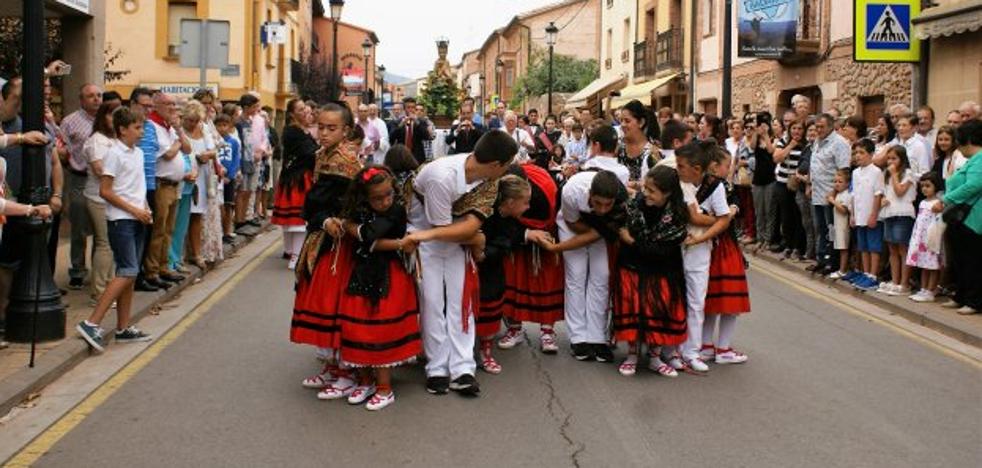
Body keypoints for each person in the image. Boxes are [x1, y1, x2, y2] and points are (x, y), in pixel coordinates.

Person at [401, 131, 517, 396]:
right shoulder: (443, 177)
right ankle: (437, 368)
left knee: (460, 301)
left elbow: (470, 226)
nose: (509, 168)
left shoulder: (488, 178)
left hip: (438, 235)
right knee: (432, 303)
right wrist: (472, 238)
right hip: (428, 239)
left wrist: (472, 236)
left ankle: (463, 368)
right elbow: (449, 229)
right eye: (509, 163)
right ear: (497, 164)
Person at [333, 165, 421, 411]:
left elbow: (370, 236)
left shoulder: (395, 211)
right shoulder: (360, 209)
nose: (385, 201)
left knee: (381, 331)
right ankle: (365, 380)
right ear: (363, 197)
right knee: (358, 327)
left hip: (388, 275)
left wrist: (351, 228)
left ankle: (385, 387)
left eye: (388, 195)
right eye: (377, 198)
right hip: (362, 272)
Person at [292, 104, 363, 400]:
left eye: (330, 128)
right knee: (324, 302)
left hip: (339, 244)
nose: (323, 133)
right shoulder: (325, 156)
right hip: (324, 237)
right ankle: (333, 366)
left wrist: (325, 218)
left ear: (346, 131)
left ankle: (346, 372)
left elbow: (312, 204)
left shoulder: (342, 161)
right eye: (320, 127)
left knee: (334, 304)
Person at [76, 107, 154, 353]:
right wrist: (134, 210)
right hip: (121, 220)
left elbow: (136, 186)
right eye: (137, 128)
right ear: (122, 129)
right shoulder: (113, 154)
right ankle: (91, 322)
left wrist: (145, 207)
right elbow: (105, 191)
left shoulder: (138, 153)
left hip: (138, 217)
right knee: (127, 271)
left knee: (129, 274)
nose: (141, 133)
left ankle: (123, 327)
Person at [541, 170, 626, 362]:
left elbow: (598, 233)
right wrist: (559, 247)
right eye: (598, 203)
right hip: (573, 224)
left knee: (602, 275)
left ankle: (597, 337)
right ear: (589, 195)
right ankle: (578, 337)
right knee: (576, 275)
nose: (603, 209)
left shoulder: (621, 199)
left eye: (608, 204)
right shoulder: (572, 191)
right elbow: (574, 226)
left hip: (599, 230)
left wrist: (600, 230)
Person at [611, 165, 688, 377]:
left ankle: (655, 358)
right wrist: (634, 242)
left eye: (652, 191)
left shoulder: (678, 216)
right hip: (631, 268)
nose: (646, 193)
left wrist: (632, 241)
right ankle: (632, 356)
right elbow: (619, 227)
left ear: (668, 193)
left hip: (662, 272)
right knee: (633, 309)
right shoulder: (633, 206)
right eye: (645, 188)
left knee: (658, 313)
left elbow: (660, 251)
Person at [672, 141, 732, 372]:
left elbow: (724, 219)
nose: (677, 169)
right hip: (675, 247)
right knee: (675, 299)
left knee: (696, 302)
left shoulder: (715, 186)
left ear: (696, 169)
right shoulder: (676, 183)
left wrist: (699, 238)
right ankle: (673, 349)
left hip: (699, 250)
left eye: (682, 166)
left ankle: (692, 352)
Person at [496, 164, 564, 354]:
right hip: (516, 234)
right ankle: (514, 329)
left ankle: (548, 332)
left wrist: (543, 236)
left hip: (547, 234)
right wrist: (525, 233)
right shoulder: (499, 188)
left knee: (547, 282)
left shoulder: (545, 192)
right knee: (514, 279)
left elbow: (554, 217)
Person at [473, 174, 532, 374]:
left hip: (492, 267)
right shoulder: (484, 214)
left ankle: (486, 351)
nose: (528, 207)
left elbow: (507, 243)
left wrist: (485, 254)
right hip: (473, 267)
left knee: (491, 306)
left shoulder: (512, 220)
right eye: (525, 202)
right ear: (510, 202)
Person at [701, 145, 751, 365]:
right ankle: (723, 349)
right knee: (731, 301)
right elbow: (723, 216)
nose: (729, 169)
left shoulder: (701, 184)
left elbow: (734, 203)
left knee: (711, 301)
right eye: (726, 165)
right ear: (714, 166)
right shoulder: (718, 185)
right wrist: (729, 212)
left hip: (708, 245)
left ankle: (706, 347)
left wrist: (733, 207)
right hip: (724, 246)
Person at [143, 92, 190, 289]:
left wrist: (178, 129)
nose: (172, 108)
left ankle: (164, 267)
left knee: (168, 230)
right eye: (168, 104)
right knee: (158, 230)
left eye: (174, 104)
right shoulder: (152, 126)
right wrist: (178, 142)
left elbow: (187, 149)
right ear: (156, 105)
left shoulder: (169, 127)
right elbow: (169, 154)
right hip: (161, 184)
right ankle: (152, 271)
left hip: (174, 185)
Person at [60, 83, 102, 290]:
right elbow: (62, 149)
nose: (96, 99)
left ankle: (98, 269)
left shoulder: (106, 121)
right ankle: (77, 270)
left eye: (98, 95)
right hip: (79, 177)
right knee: (78, 225)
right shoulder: (69, 121)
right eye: (91, 96)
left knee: (99, 226)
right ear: (82, 100)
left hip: (101, 180)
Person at [939, 119, 981, 314]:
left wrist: (947, 199)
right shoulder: (972, 160)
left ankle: (973, 300)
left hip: (972, 217)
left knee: (971, 259)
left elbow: (974, 185)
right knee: (960, 259)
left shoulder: (980, 159)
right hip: (961, 217)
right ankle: (961, 295)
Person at [81, 102, 120, 304]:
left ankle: (107, 285)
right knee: (104, 244)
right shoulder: (97, 141)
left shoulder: (115, 140)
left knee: (109, 244)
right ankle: (99, 291)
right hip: (98, 197)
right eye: (112, 115)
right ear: (103, 117)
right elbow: (99, 169)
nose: (115, 119)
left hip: (113, 198)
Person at [273, 99, 318, 269]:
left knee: (292, 219)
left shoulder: (300, 130)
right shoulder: (292, 132)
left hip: (296, 176)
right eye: (301, 110)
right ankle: (296, 257)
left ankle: (289, 250)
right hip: (297, 178)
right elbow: (309, 153)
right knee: (298, 220)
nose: (306, 112)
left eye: (305, 109)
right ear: (292, 113)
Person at [810, 113, 852, 273]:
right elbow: (815, 164)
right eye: (816, 127)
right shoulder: (817, 141)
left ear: (830, 126)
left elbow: (843, 170)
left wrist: (834, 194)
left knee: (831, 230)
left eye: (822, 127)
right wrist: (810, 185)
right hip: (817, 193)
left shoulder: (839, 143)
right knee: (820, 229)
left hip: (831, 195)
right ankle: (821, 259)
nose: (818, 130)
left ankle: (831, 262)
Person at [845, 139, 885, 291]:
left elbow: (878, 194)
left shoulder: (876, 172)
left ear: (871, 154)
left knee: (873, 246)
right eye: (856, 153)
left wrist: (874, 214)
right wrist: (853, 215)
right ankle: (865, 273)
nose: (858, 156)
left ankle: (873, 275)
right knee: (863, 246)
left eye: (862, 153)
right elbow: (854, 195)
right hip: (859, 215)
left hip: (871, 215)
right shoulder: (855, 173)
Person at [876, 145, 916, 296]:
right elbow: (887, 193)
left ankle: (905, 283)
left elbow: (900, 192)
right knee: (892, 249)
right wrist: (883, 200)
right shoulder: (886, 174)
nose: (891, 162)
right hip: (889, 213)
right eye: (889, 158)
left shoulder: (908, 174)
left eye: (894, 158)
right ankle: (895, 280)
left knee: (902, 249)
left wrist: (893, 174)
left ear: (902, 159)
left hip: (903, 213)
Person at [905, 171, 944, 302]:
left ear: (936, 186)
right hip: (920, 240)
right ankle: (923, 289)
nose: (924, 189)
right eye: (922, 186)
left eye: (928, 186)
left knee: (932, 266)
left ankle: (930, 290)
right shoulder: (922, 203)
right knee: (923, 264)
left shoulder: (938, 203)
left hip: (931, 240)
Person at [773, 118, 806, 258]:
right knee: (786, 217)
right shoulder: (783, 141)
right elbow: (777, 158)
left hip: (798, 184)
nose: (796, 131)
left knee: (798, 216)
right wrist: (790, 145)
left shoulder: (807, 144)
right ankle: (788, 244)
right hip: (782, 183)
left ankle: (798, 247)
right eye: (794, 128)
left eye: (799, 129)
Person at [749, 112, 779, 252]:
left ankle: (768, 239)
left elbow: (771, 151)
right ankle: (760, 238)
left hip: (770, 179)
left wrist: (766, 134)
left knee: (769, 211)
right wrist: (756, 132)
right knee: (759, 211)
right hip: (758, 179)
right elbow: (752, 147)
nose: (762, 124)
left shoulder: (774, 138)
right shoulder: (756, 135)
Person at [617, 101, 658, 188]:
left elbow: (657, 184)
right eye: (621, 120)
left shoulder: (653, 153)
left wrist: (635, 185)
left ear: (641, 122)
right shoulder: (618, 147)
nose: (622, 125)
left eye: (627, 121)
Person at [215, 114, 241, 243]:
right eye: (219, 125)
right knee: (219, 206)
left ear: (230, 126)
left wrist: (230, 176)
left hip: (228, 178)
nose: (222, 128)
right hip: (217, 177)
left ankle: (227, 231)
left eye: (224, 125)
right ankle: (219, 231)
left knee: (229, 204)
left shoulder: (233, 142)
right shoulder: (214, 141)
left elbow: (236, 160)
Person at [827, 169, 853, 279]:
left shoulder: (847, 195)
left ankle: (843, 270)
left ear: (847, 184)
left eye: (840, 182)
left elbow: (844, 210)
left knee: (844, 249)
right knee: (839, 247)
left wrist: (832, 201)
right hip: (837, 225)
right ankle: (840, 268)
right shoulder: (839, 194)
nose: (837, 184)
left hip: (843, 226)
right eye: (835, 181)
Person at [389, 97, 429, 164]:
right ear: (404, 109)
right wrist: (401, 125)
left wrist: (417, 122)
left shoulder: (421, 122)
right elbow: (391, 138)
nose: (411, 110)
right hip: (401, 156)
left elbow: (426, 136)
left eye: (413, 107)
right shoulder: (397, 122)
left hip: (417, 157)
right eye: (408, 107)